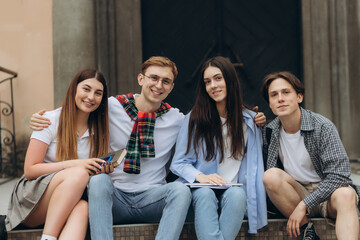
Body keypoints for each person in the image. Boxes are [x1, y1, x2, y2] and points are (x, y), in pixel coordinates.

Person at [30, 56, 192, 240]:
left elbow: (206, 125)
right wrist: (40, 118)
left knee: (180, 191)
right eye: (153, 78)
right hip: (113, 197)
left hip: (152, 198)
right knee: (98, 181)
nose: (159, 85)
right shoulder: (112, 106)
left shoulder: (177, 119)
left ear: (171, 87)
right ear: (141, 79)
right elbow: (77, 108)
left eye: (166, 81)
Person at [6, 69, 111, 240]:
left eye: (98, 93)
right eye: (86, 89)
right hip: (32, 201)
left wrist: (101, 170)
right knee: (78, 173)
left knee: (83, 208)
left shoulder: (99, 130)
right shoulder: (50, 120)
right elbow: (30, 170)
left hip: (70, 200)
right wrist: (75, 164)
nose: (91, 97)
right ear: (74, 89)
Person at [170, 56, 267, 239]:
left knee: (238, 195)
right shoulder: (194, 119)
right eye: (207, 82)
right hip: (200, 193)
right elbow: (178, 163)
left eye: (218, 78)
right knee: (205, 193)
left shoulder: (250, 121)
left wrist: (260, 123)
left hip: (233, 192)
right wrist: (202, 177)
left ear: (230, 80)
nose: (213, 85)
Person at [261, 71, 360, 240]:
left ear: (299, 97)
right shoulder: (269, 131)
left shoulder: (322, 126)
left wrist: (304, 205)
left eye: (286, 92)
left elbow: (339, 176)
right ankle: (308, 233)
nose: (280, 99)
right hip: (296, 193)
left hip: (329, 196)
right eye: (274, 95)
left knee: (346, 194)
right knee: (270, 176)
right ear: (270, 104)